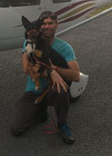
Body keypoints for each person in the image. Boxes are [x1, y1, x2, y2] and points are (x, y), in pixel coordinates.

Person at [10, 11, 80, 144]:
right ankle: (40, 112)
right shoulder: (28, 42)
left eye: (50, 23)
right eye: (44, 24)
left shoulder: (65, 48)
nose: (46, 26)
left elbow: (76, 76)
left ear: (56, 25)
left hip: (52, 90)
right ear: (39, 26)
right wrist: (50, 72)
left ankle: (63, 124)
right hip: (33, 91)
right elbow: (26, 68)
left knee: (61, 89)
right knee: (16, 128)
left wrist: (56, 69)